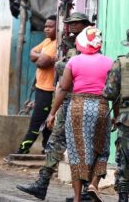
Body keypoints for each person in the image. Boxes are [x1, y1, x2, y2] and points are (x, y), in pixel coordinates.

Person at [16, 12, 94, 201]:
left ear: (85, 24)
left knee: (82, 146)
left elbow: (66, 67)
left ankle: (86, 192)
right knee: (55, 142)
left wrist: (60, 64)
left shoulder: (90, 43)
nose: (73, 26)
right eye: (71, 23)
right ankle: (42, 185)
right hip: (66, 99)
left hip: (81, 100)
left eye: (77, 23)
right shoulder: (69, 43)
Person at [44, 26, 112, 202]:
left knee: (77, 152)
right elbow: (115, 92)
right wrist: (116, 115)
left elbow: (63, 88)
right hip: (102, 107)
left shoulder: (73, 62)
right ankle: (93, 184)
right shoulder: (109, 62)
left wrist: (52, 113)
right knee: (101, 149)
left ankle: (76, 198)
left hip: (78, 108)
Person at [16, 15, 57, 154]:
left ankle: (23, 149)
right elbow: (32, 53)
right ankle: (46, 149)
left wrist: (42, 58)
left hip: (49, 90)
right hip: (40, 88)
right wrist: (44, 57)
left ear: (58, 28)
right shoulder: (47, 41)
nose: (46, 29)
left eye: (50, 26)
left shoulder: (57, 44)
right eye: (45, 26)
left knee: (37, 121)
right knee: (44, 122)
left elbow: (40, 62)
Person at [102, 31, 129, 202]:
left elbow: (110, 93)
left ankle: (123, 197)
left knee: (125, 160)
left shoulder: (121, 63)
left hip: (127, 119)